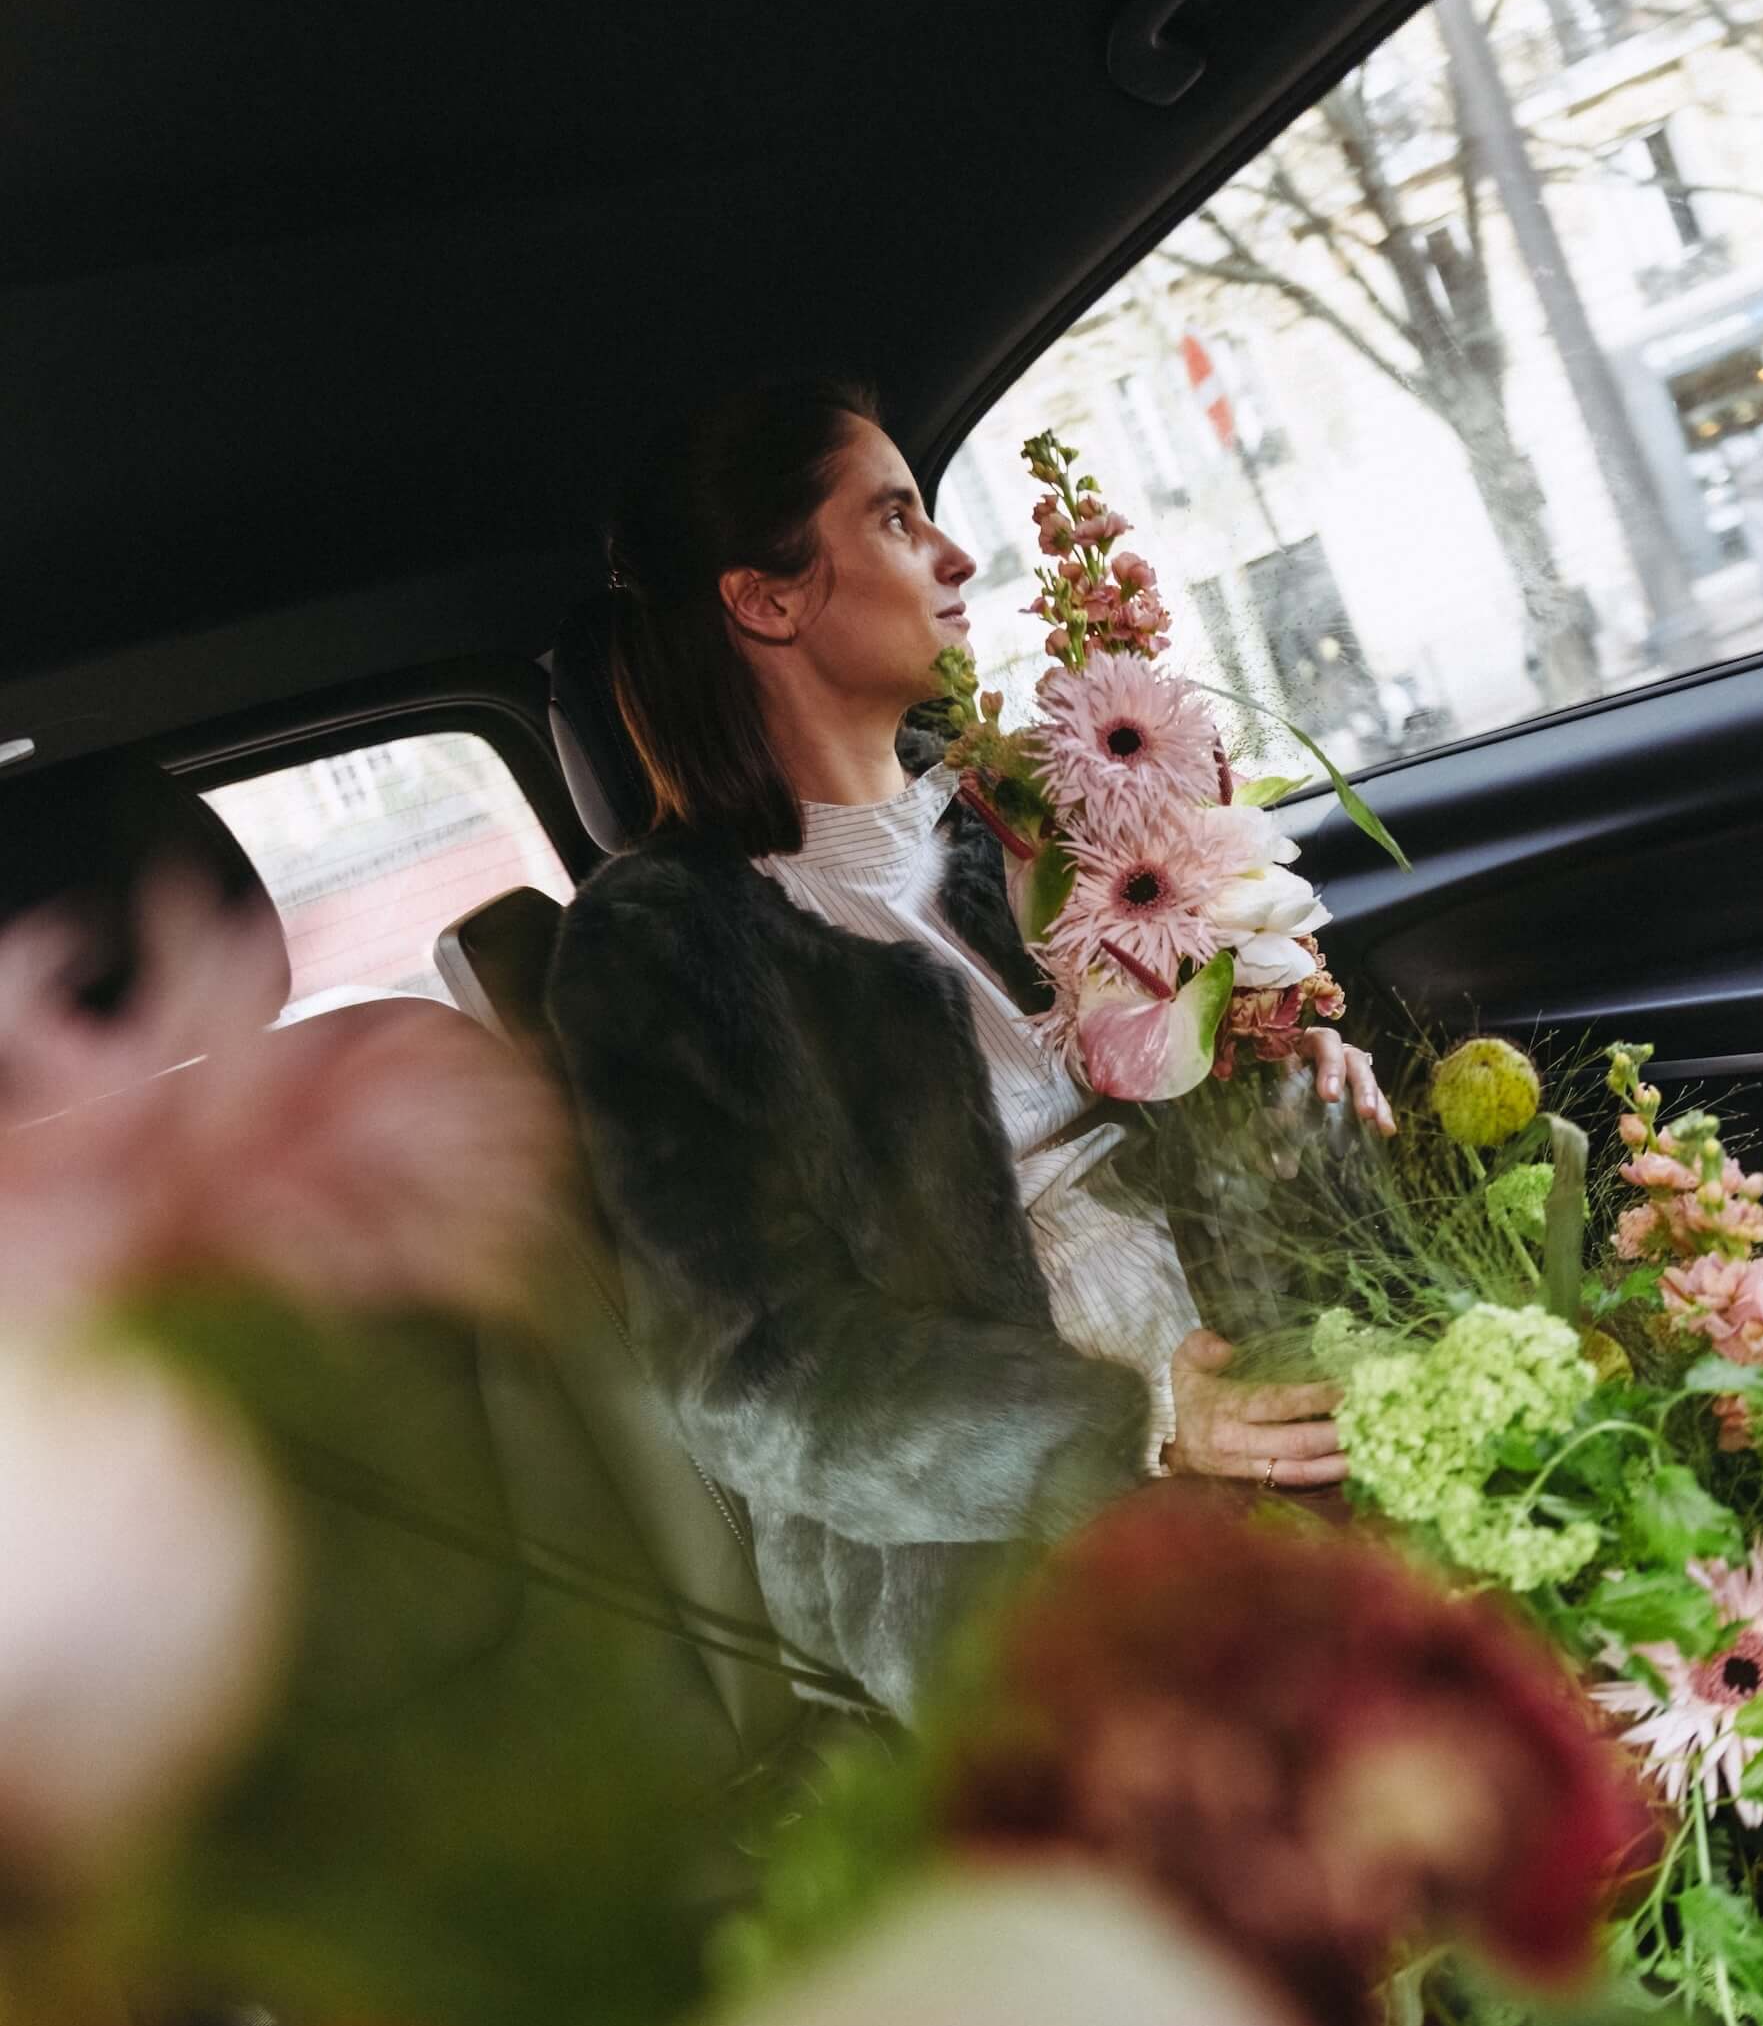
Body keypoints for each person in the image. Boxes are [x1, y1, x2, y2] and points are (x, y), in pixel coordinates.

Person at [547, 378, 1393, 1718]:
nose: (959, 558)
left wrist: (1295, 1088)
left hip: (1278, 1399)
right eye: (897, 521)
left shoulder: (1028, 809)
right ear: (767, 599)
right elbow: (751, 1376)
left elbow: (1196, 1106)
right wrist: (1138, 1428)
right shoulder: (664, 945)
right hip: (1012, 1569)